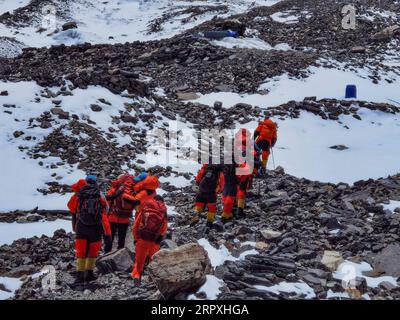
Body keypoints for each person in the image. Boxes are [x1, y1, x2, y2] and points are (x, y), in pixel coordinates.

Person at [67, 175, 111, 286]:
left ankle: (80, 276)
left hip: (81, 226)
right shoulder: (99, 195)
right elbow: (105, 211)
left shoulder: (78, 195)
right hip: (96, 227)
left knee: (81, 252)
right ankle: (90, 273)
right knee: (92, 252)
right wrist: (107, 234)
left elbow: (70, 207)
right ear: (96, 183)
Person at [129, 175, 167, 284]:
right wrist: (159, 239)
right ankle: (152, 279)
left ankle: (137, 276)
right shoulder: (163, 211)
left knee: (139, 262)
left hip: (142, 239)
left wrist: (136, 238)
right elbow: (164, 228)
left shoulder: (145, 208)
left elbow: (136, 226)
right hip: (154, 241)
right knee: (153, 260)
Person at [105, 172, 148, 253]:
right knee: (121, 241)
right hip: (125, 219)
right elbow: (137, 207)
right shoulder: (134, 192)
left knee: (110, 240)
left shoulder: (114, 190)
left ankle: (106, 257)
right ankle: (120, 256)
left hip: (112, 218)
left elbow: (107, 204)